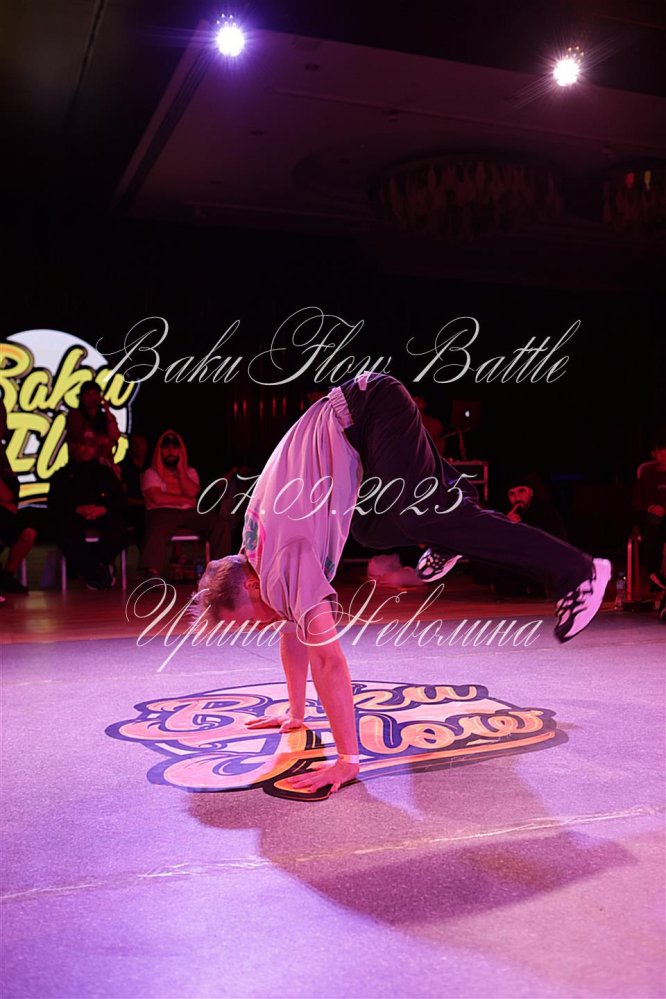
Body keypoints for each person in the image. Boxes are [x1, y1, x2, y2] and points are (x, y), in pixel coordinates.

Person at [191, 373, 611, 795]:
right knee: (371, 529)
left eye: (250, 619)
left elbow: (328, 661)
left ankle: (578, 571)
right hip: (359, 430)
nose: (258, 626)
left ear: (250, 584)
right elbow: (290, 631)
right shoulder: (253, 548)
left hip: (368, 408)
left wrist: (346, 760)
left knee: (419, 517)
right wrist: (296, 713)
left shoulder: (284, 561)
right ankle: (453, 509)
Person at [140, 430, 231, 576]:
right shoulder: (150, 473)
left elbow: (192, 492)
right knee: (157, 526)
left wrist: (181, 472)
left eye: (175, 447)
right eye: (166, 447)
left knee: (220, 524)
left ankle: (220, 572)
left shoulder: (190, 472)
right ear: (159, 450)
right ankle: (152, 574)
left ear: (181, 451)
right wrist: (184, 499)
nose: (170, 451)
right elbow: (157, 498)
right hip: (162, 512)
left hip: (189, 513)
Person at [48, 429, 126, 589]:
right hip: (74, 517)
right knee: (65, 531)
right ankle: (96, 572)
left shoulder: (105, 473)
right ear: (74, 446)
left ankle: (93, 568)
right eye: (82, 444)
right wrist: (76, 509)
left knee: (119, 528)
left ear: (96, 448)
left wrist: (104, 508)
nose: (86, 449)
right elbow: (55, 503)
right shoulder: (62, 475)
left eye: (91, 445)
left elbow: (119, 499)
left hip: (101, 515)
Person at [478, 479, 568, 598]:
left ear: (531, 493)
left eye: (521, 491)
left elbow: (555, 540)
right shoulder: (506, 512)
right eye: (512, 494)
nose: (517, 497)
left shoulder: (546, 511)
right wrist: (507, 525)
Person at [0, 398, 36, 594]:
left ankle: (6, 577)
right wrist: (7, 501)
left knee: (28, 533)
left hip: (8, 510)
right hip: (4, 508)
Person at [632, 432, 666, 591]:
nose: (663, 455)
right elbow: (637, 500)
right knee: (653, 525)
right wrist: (651, 507)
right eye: (659, 451)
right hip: (654, 520)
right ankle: (655, 575)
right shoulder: (647, 473)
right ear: (653, 454)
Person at [66, 381, 120, 470]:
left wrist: (107, 410)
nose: (91, 398)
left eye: (94, 394)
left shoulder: (105, 417)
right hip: (80, 466)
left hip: (104, 467)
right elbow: (81, 437)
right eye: (88, 394)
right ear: (81, 397)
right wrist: (104, 440)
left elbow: (115, 436)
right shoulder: (75, 414)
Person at [120, 432, 150, 550]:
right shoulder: (123, 467)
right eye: (134, 443)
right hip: (132, 509)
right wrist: (142, 503)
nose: (138, 446)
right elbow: (122, 497)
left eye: (141, 443)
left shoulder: (153, 466)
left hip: (152, 507)